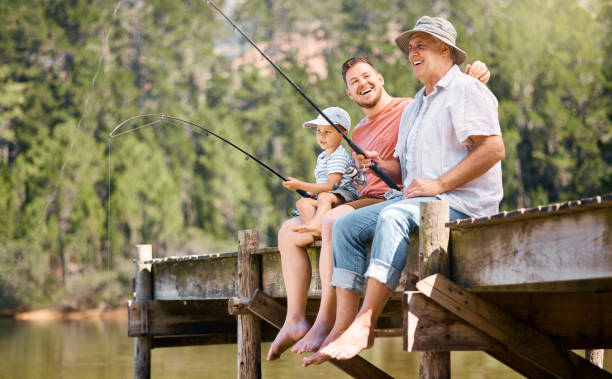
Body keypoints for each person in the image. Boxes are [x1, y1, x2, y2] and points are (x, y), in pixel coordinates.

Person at [304, 16, 505, 365]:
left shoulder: (465, 89)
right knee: (344, 226)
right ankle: (342, 324)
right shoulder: (418, 104)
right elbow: (406, 172)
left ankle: (366, 323)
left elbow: (493, 150)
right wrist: (377, 163)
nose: (412, 51)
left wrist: (440, 184)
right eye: (409, 47)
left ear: (446, 49)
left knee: (394, 214)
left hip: (458, 203)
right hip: (420, 201)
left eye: (420, 44)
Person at [267, 56, 492, 361]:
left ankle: (327, 322)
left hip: (396, 199)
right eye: (354, 82)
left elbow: (409, 167)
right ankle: (295, 319)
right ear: (348, 93)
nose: (362, 84)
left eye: (366, 76)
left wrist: (476, 75)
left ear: (381, 77)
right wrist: (364, 168)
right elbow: (366, 179)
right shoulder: (356, 132)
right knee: (287, 230)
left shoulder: (408, 109)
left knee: (334, 220)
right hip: (365, 197)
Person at [282, 107, 359, 234]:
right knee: (302, 203)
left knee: (324, 197)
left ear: (343, 134)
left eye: (327, 132)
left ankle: (319, 225)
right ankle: (315, 232)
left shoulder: (338, 155)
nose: (321, 136)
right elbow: (322, 185)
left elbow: (331, 185)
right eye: (318, 131)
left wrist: (300, 185)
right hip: (328, 196)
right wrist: (313, 194)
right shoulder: (322, 156)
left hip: (345, 197)